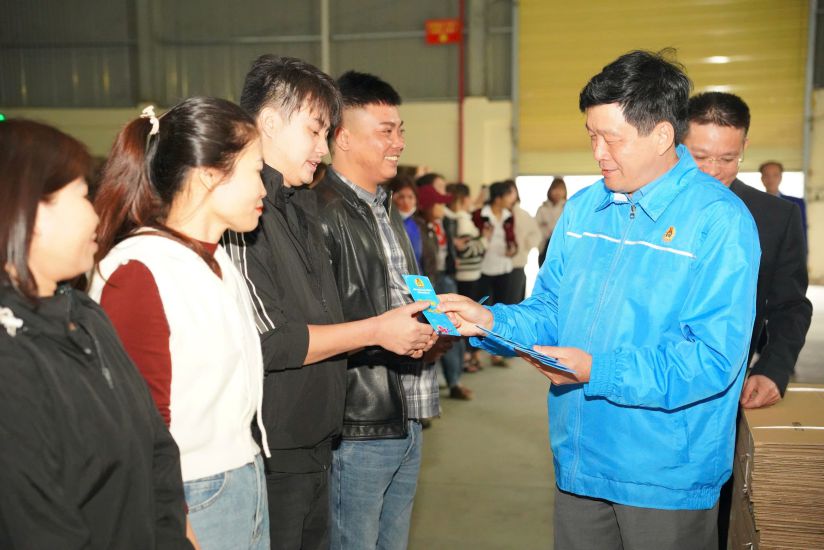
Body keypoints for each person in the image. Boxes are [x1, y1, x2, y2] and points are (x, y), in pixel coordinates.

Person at [440, 50, 760, 550]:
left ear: (661, 136)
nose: (598, 153)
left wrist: (597, 370)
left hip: (663, 477)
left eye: (612, 138)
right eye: (592, 135)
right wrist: (489, 322)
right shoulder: (585, 209)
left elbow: (712, 359)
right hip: (581, 460)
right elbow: (549, 311)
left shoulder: (719, 221)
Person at [221, 55, 435, 550]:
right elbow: (270, 341)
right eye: (316, 132)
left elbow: (326, 314)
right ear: (270, 122)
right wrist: (377, 332)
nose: (323, 147)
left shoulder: (297, 206)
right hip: (280, 439)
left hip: (320, 433)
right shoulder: (248, 216)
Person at [0, 119, 191, 549]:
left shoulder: (83, 313)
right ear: (30, 212)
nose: (95, 213)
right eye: (83, 196)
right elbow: (38, 526)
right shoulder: (9, 358)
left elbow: (155, 447)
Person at [89, 98, 270, 550]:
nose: (264, 188)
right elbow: (137, 428)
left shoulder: (217, 259)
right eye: (255, 171)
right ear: (211, 175)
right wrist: (176, 527)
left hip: (241, 478)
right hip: (192, 495)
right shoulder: (138, 270)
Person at [314, 70, 439, 550]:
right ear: (342, 138)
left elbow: (402, 297)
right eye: (385, 131)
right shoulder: (319, 214)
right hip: (359, 421)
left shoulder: (385, 209)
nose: (399, 142)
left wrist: (434, 329)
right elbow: (320, 326)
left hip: (406, 410)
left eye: (400, 129)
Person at [684, 91, 813, 549]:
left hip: (727, 392)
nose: (714, 171)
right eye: (700, 156)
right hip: (644, 395)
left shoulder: (774, 217)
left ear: (745, 149)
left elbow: (790, 305)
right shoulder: (644, 208)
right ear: (678, 143)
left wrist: (773, 369)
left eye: (728, 158)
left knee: (716, 512)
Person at [415, 181, 473, 400]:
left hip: (445, 279)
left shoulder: (443, 223)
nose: (443, 207)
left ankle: (455, 381)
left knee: (452, 331)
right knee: (430, 336)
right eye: (438, 203)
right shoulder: (416, 226)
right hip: (427, 285)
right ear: (428, 205)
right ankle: (429, 391)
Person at [472, 180, 518, 366]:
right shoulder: (478, 214)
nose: (513, 199)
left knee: (501, 312)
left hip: (504, 268)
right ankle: (474, 353)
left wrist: (513, 249)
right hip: (483, 269)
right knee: (478, 310)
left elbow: (512, 239)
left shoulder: (509, 216)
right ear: (499, 197)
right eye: (510, 195)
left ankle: (496, 352)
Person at [446, 182, 487, 372]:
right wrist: (484, 240)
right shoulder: (462, 219)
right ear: (463, 199)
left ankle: (467, 356)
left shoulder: (460, 217)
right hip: (467, 275)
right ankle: (467, 357)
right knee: (466, 317)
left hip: (470, 273)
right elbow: (467, 250)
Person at [760, 160, 808, 244]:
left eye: (775, 175)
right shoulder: (754, 203)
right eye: (766, 175)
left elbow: (802, 232)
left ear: (781, 177)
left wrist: (803, 255)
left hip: (788, 252)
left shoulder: (796, 203)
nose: (771, 179)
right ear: (762, 178)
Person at [509, 185, 541, 302]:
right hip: (496, 267)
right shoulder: (496, 213)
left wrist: (525, 246)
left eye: (511, 192)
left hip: (517, 264)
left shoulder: (523, 214)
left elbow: (536, 234)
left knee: (514, 302)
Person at [390, 175, 423, 267]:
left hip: (416, 278)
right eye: (401, 197)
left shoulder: (420, 225)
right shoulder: (385, 224)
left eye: (410, 197)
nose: (406, 201)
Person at [535, 177, 567, 266]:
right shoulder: (542, 209)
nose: (557, 192)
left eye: (561, 189)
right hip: (544, 247)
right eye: (555, 188)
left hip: (562, 250)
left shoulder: (568, 208)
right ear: (550, 190)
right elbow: (536, 229)